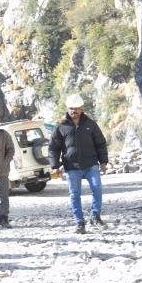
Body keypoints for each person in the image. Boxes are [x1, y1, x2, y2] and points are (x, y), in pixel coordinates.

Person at [49, 94, 109, 234]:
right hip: (72, 166)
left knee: (97, 189)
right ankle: (80, 223)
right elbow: (53, 148)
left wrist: (103, 161)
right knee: (74, 195)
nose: (74, 111)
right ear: (67, 109)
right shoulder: (60, 126)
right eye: (71, 108)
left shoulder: (90, 124)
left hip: (91, 164)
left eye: (76, 108)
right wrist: (55, 166)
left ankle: (95, 216)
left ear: (81, 109)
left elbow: (100, 143)